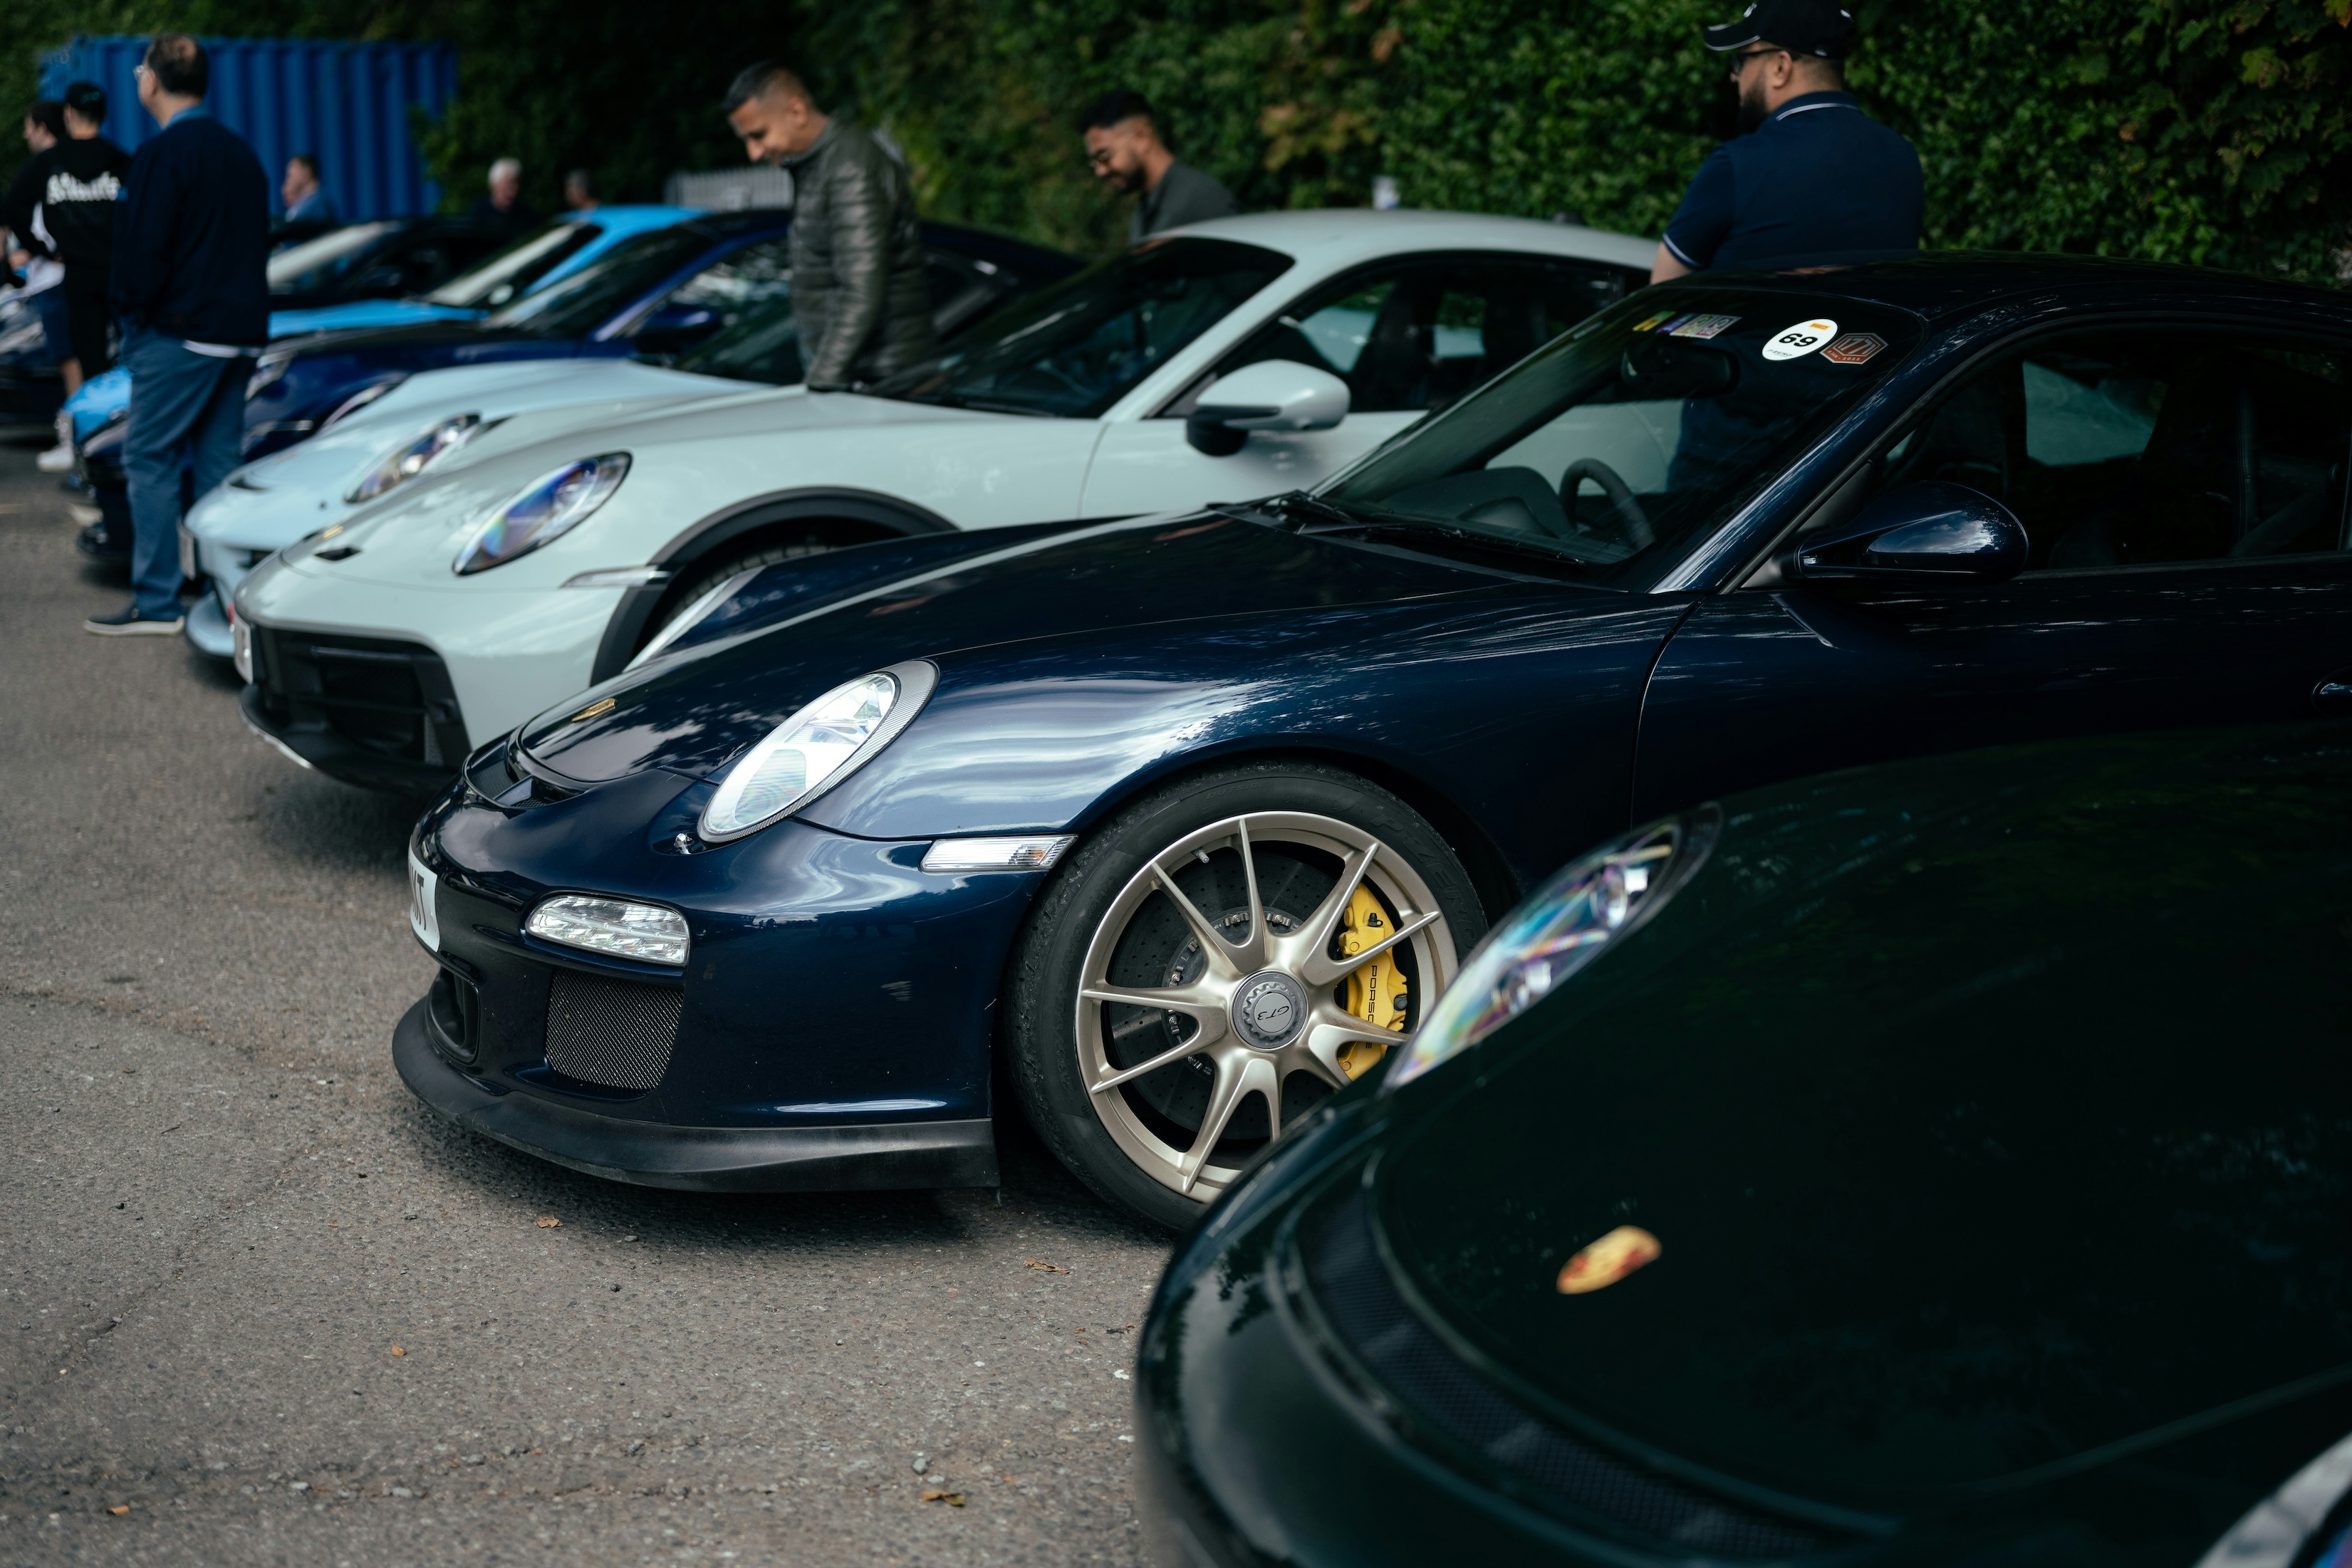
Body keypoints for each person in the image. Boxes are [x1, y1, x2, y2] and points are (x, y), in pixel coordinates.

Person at [91, 33, 269, 637]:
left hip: (181, 334)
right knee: (221, 463)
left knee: (150, 457)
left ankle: (159, 601)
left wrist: (130, 318)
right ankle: (230, 599)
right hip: (240, 334)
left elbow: (142, 254)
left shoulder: (163, 155)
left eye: (142, 69)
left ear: (152, 83)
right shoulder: (242, 153)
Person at [1651, 0, 1921, 281]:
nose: (1735, 76)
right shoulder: (1904, 158)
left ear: (1781, 67)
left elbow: (1662, 294)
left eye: (1741, 61)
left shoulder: (1739, 165)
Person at [722, 63, 935, 392]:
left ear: (796, 111)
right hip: (865, 376)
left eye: (759, 135)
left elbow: (861, 290)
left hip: (881, 380)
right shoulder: (821, 163)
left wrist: (822, 380)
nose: (753, 152)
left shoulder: (849, 168)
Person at [5, 81, 131, 406]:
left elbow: (11, 208)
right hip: (120, 272)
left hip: (76, 274)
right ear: (103, 115)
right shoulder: (120, 161)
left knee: (89, 362)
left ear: (69, 113)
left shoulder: (49, 162)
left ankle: (94, 434)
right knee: (132, 355)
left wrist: (41, 248)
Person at [4, 102, 75, 469]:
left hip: (57, 280)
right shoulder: (64, 162)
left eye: (29, 126)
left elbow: (19, 213)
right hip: (51, 278)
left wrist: (42, 252)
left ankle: (76, 440)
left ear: (44, 128)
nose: (25, 134)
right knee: (68, 359)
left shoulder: (49, 165)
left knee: (69, 360)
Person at [1080, 90, 1239, 242]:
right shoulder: (1142, 214)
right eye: (1095, 162)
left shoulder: (1201, 201)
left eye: (1104, 156)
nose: (1100, 171)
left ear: (1141, 137)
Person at [467, 157, 537, 237]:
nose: (515, 188)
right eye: (509, 183)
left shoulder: (527, 216)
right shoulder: (478, 214)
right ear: (494, 184)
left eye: (516, 182)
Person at [281, 152, 333, 221]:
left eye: (291, 175)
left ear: (307, 172)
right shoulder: (304, 202)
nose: (289, 179)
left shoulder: (318, 204)